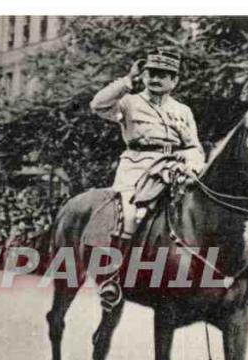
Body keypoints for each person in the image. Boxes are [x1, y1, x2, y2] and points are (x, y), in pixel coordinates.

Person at [89, 47, 205, 309]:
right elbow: (97, 105)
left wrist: (193, 167)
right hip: (137, 168)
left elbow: (193, 146)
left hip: (174, 168)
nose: (156, 79)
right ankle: (113, 278)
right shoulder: (129, 102)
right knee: (130, 213)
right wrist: (127, 82)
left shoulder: (182, 111)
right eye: (152, 73)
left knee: (197, 213)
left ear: (174, 81)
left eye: (164, 75)